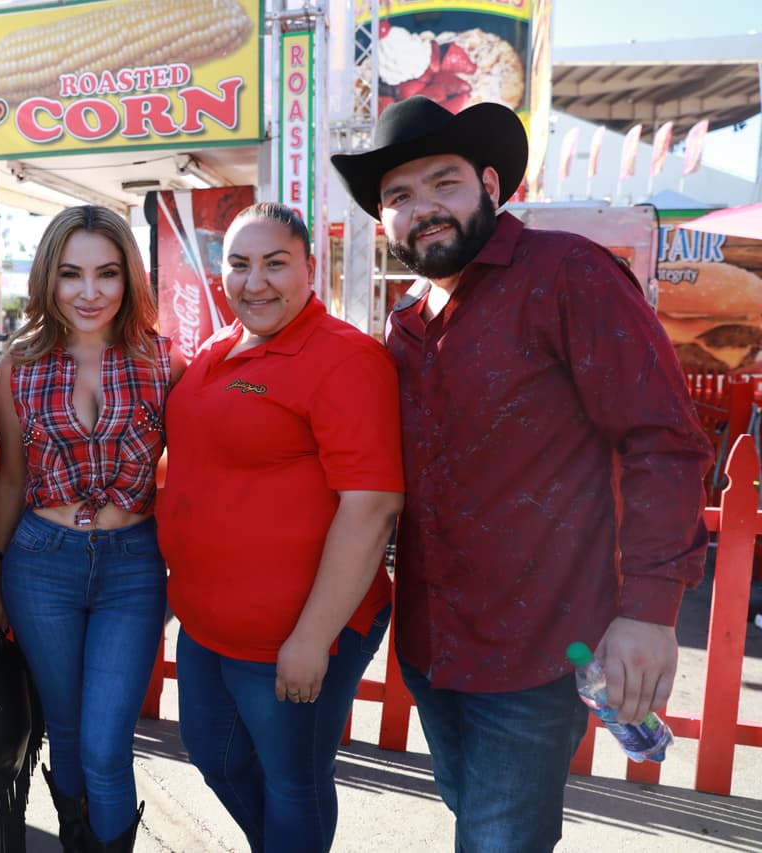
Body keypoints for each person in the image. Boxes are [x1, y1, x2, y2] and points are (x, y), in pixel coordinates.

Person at [330, 96, 713, 851]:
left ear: (490, 185)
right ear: (383, 220)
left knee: (498, 839)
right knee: (474, 814)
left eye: (443, 182)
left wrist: (649, 611)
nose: (422, 208)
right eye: (399, 196)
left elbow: (663, 443)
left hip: (540, 650)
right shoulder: (406, 322)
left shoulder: (568, 273)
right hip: (432, 646)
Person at [157, 202, 404, 853]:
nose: (255, 281)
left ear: (309, 268)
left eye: (275, 263)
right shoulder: (215, 347)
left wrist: (312, 637)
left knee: (293, 781)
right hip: (207, 622)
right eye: (239, 264)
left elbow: (372, 505)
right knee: (215, 756)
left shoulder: (345, 358)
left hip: (297, 632)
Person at [0, 205, 182, 852]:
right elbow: (11, 478)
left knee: (105, 744)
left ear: (130, 277)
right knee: (67, 732)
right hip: (40, 561)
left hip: (132, 563)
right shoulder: (20, 362)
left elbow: (206, 464)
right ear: (49, 277)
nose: (90, 291)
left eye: (108, 272)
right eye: (72, 273)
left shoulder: (163, 361)